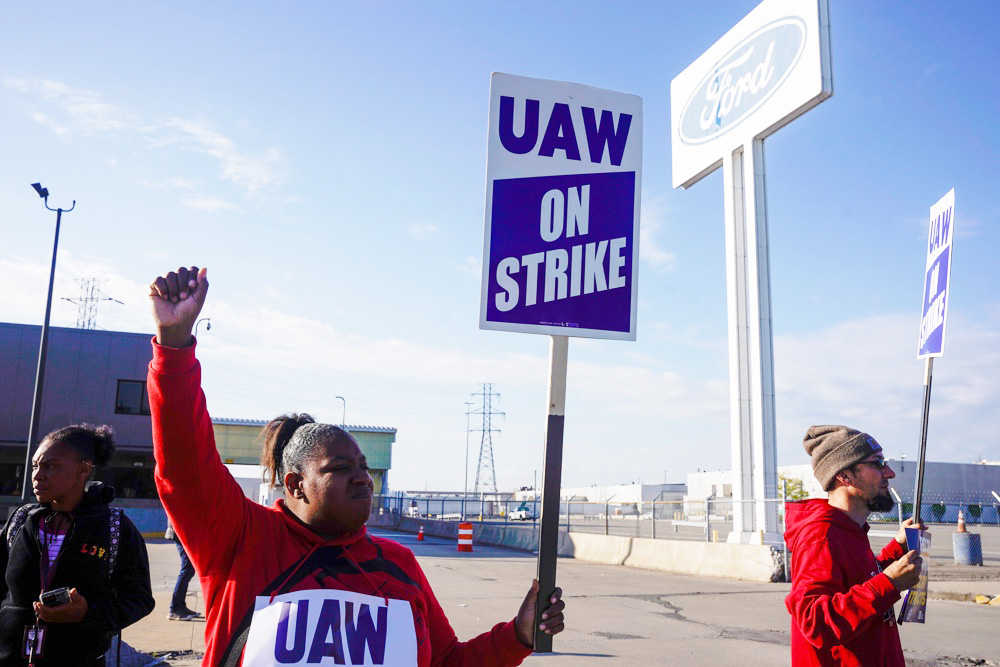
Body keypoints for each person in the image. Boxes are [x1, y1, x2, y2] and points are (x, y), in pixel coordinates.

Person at [148, 265, 566, 667]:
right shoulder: (242, 541)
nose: (363, 477)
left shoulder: (397, 564)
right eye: (341, 468)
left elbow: (446, 661)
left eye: (364, 466)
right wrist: (174, 344)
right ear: (296, 485)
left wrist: (517, 636)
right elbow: (185, 466)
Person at [0, 424, 155, 666]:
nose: (37, 475)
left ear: (84, 469)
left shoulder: (115, 528)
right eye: (35, 465)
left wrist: (87, 613)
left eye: (50, 466)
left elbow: (139, 599)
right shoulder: (21, 520)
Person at [785, 425, 925, 667]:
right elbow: (814, 621)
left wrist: (898, 548)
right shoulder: (821, 536)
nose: (889, 473)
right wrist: (888, 584)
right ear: (845, 476)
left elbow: (859, 583)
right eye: (878, 463)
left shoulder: (850, 529)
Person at [164, 521, 201, 621]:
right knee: (187, 569)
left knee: (189, 569)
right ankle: (174, 609)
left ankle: (181, 607)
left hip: (183, 532)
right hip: (179, 532)